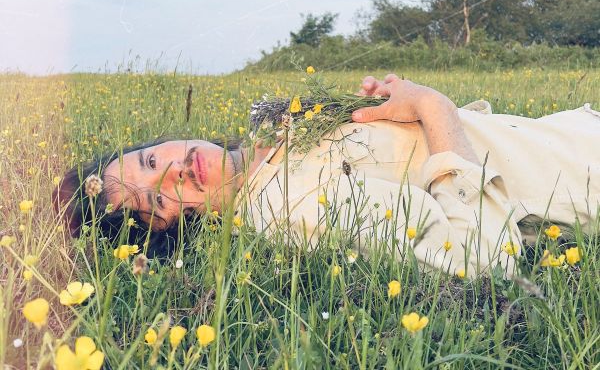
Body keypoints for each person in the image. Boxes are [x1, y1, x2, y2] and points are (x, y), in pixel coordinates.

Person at [53, 74, 600, 276]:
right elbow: (479, 257)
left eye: (149, 161)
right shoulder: (290, 205)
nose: (172, 172)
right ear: (174, 232)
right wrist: (434, 108)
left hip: (573, 130)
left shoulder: (275, 135)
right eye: (154, 204)